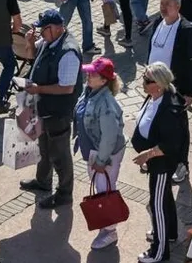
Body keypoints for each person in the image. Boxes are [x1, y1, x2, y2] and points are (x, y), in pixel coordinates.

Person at [19, 9, 83, 209]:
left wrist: (38, 89)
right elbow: (30, 57)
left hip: (58, 111)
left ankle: (64, 193)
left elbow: (67, 87)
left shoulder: (68, 52)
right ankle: (43, 181)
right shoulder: (48, 41)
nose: (40, 34)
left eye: (43, 30)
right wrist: (30, 43)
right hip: (43, 107)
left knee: (60, 154)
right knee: (43, 146)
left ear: (56, 28)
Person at [131, 63, 188, 263]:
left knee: (157, 206)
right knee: (164, 199)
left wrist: (147, 155)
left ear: (160, 85)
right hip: (155, 162)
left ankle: (159, 252)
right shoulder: (154, 97)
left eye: (148, 80)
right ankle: (169, 232)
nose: (143, 83)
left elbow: (170, 144)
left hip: (161, 164)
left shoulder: (170, 109)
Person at [74, 57, 126, 250]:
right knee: (100, 187)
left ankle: (110, 231)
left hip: (106, 153)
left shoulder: (106, 105)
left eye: (93, 74)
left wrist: (102, 160)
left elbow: (109, 137)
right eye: (88, 72)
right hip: (94, 151)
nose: (88, 75)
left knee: (105, 191)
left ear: (104, 80)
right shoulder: (90, 92)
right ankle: (106, 226)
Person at [147, 0, 192, 108]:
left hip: (172, 86)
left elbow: (189, 62)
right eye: (161, 3)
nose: (163, 7)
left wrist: (188, 91)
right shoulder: (158, 21)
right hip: (153, 82)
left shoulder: (185, 30)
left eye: (168, 4)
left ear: (178, 6)